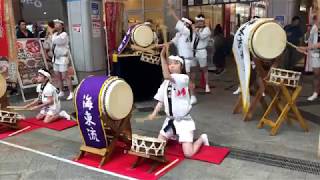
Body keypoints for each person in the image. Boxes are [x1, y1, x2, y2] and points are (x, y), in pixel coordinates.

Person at [147, 45, 209, 158]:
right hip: (170, 121)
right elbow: (161, 100)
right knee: (157, 146)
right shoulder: (166, 83)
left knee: (188, 154)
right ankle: (173, 134)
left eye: (175, 63)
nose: (172, 66)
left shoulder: (183, 78)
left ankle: (202, 138)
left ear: (181, 66)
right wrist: (154, 113)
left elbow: (166, 75)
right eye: (170, 63)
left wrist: (162, 56)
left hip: (184, 121)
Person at [167, 7, 197, 104]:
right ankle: (184, 95)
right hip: (181, 60)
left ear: (187, 25)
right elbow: (171, 42)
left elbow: (180, 25)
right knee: (181, 79)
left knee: (187, 79)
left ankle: (193, 96)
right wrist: (160, 45)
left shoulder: (187, 32)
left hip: (187, 59)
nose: (182, 24)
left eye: (184, 23)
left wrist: (173, 13)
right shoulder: (179, 34)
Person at [297, 15, 320, 101]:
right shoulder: (313, 28)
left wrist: (305, 48)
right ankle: (315, 92)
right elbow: (308, 40)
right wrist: (308, 32)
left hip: (316, 51)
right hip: (315, 54)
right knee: (316, 74)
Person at [52, 19, 73, 100]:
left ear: (62, 25)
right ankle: (61, 91)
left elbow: (57, 41)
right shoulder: (55, 34)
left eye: (57, 23)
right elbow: (53, 42)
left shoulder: (64, 34)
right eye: (55, 24)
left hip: (63, 58)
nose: (56, 25)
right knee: (57, 76)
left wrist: (53, 36)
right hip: (55, 58)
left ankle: (71, 92)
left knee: (65, 76)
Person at [193, 14, 212, 93]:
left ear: (204, 21)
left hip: (202, 51)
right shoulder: (194, 29)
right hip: (193, 51)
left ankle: (207, 85)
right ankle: (192, 84)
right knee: (193, 69)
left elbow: (201, 37)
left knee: (204, 69)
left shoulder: (207, 29)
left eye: (201, 21)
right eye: (198, 21)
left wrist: (195, 31)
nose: (200, 23)